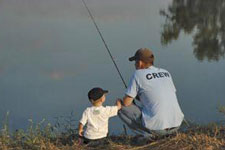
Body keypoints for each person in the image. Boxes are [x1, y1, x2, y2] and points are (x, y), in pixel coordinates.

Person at [118, 48, 184, 137]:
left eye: (135, 61)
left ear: (140, 62)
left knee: (120, 106)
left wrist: (127, 99)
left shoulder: (138, 74)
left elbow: (126, 103)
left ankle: (146, 135)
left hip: (158, 130)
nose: (135, 64)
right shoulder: (166, 72)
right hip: (177, 125)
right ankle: (163, 133)